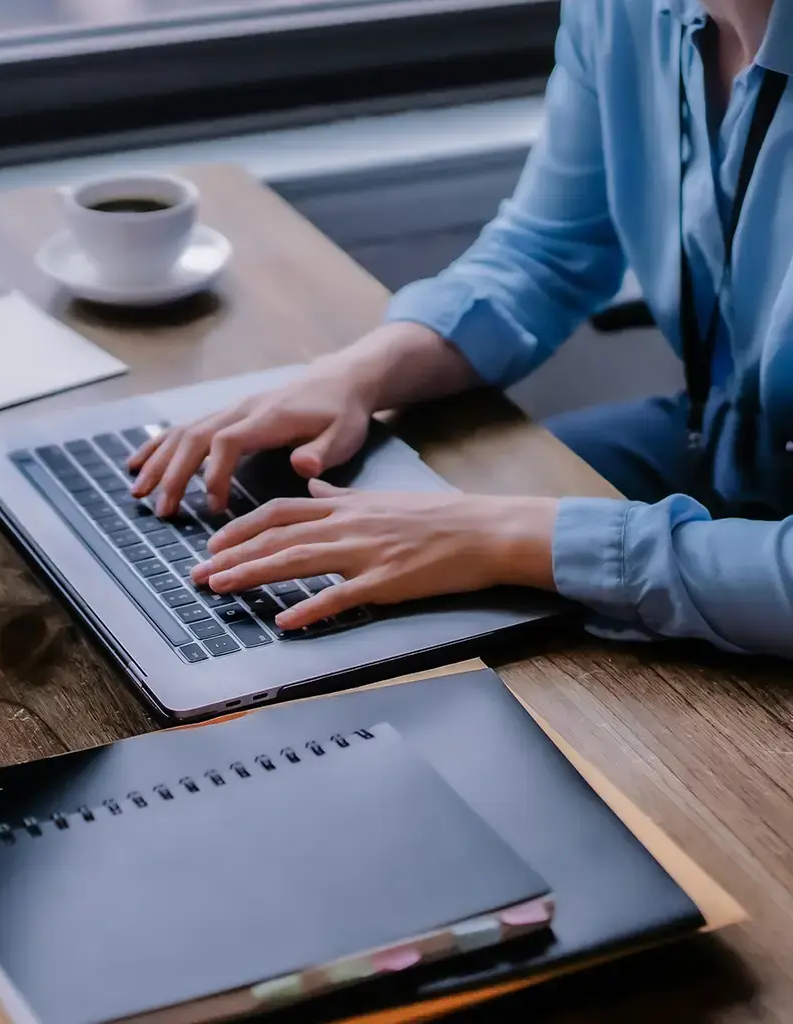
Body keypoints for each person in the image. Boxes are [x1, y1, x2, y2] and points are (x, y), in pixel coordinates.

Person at [130, 0, 793, 660]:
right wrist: (362, 372)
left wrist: (505, 537)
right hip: (727, 438)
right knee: (373, 548)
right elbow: (548, 251)